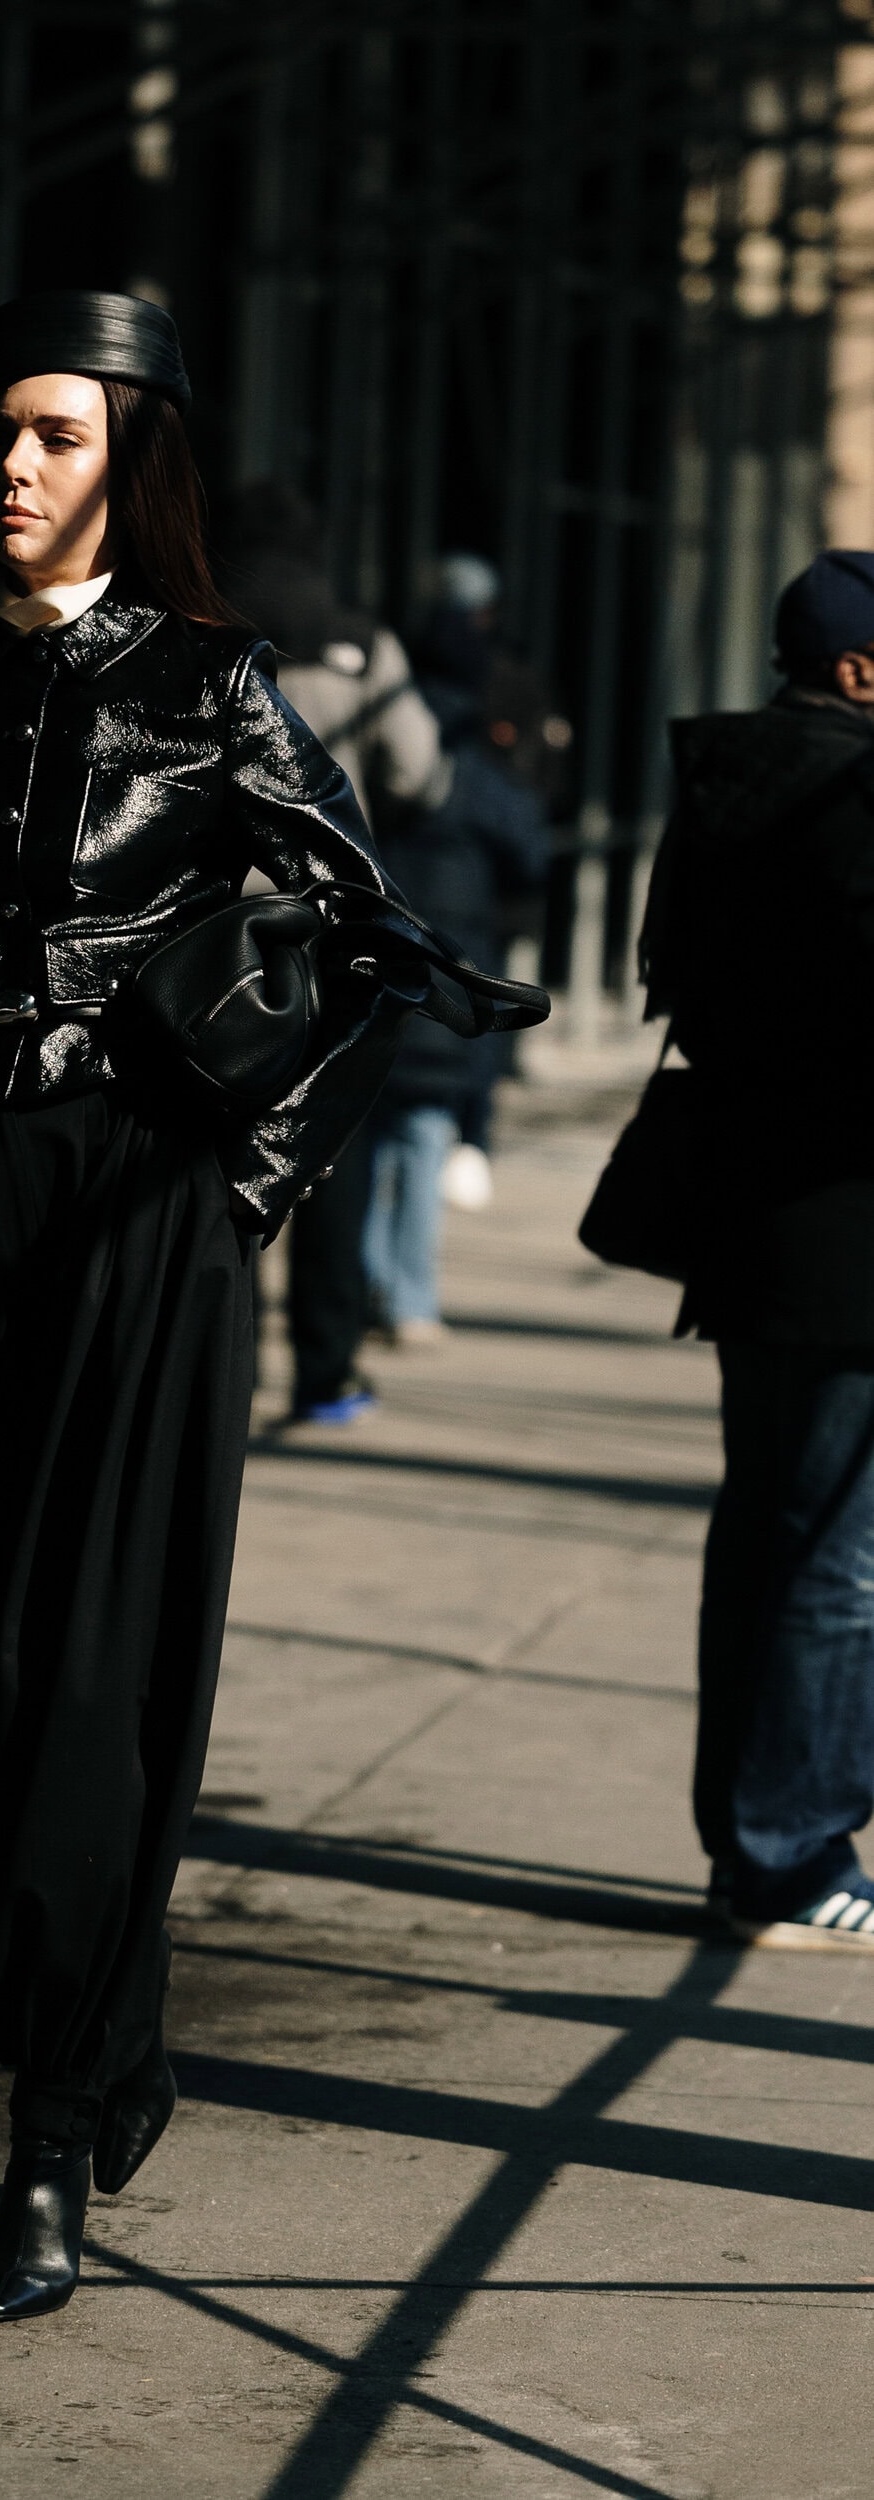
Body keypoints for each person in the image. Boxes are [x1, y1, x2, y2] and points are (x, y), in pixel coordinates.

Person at [0, 291, 404, 2317]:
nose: (14, 464)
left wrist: (247, 1182)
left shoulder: (215, 681)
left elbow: (366, 940)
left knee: (86, 1657)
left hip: (142, 1197)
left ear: (136, 460)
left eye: (57, 433)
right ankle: (102, 2011)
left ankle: (47, 2127)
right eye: (2, 431)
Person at [639, 548, 874, 1948]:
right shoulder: (851, 800)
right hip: (845, 1228)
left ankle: (747, 1840)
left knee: (765, 1532)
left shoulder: (723, 784)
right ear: (855, 671)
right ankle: (790, 1854)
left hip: (751, 1219)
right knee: (838, 1551)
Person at [219, 485, 450, 1424]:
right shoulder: (359, 640)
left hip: (209, 937)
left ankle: (217, 1368)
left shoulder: (195, 627)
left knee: (210, 1147)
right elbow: (418, 770)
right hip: (330, 927)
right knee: (330, 1147)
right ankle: (326, 1370)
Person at [360, 599, 550, 1345]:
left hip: (375, 958)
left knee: (368, 1131)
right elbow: (528, 851)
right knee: (424, 1129)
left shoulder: (375, 748)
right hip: (454, 968)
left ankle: (369, 1280)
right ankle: (410, 1299)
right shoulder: (479, 769)